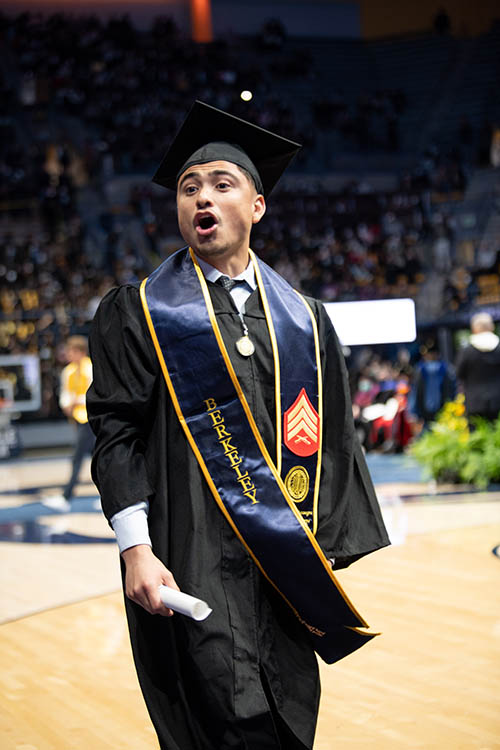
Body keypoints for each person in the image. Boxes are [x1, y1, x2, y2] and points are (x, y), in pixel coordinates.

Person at [87, 101, 389, 750]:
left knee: (287, 713)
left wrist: (322, 558)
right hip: (186, 548)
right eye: (188, 187)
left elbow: (332, 442)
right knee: (222, 715)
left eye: (223, 184)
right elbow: (116, 433)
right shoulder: (138, 313)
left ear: (256, 206)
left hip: (279, 563)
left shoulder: (304, 321)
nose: (202, 197)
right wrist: (134, 548)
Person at [43, 335, 94, 512]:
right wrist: (68, 405)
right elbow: (65, 396)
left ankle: (66, 496)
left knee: (78, 458)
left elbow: (94, 394)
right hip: (78, 419)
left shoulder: (91, 368)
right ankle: (107, 495)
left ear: (80, 352)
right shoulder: (68, 372)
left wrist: (76, 401)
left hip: (92, 420)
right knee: (100, 459)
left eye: (71, 351)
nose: (68, 354)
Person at [456, 312, 500, 424]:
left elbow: (459, 373)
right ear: (491, 327)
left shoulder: (467, 351)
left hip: (475, 403)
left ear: (474, 329)